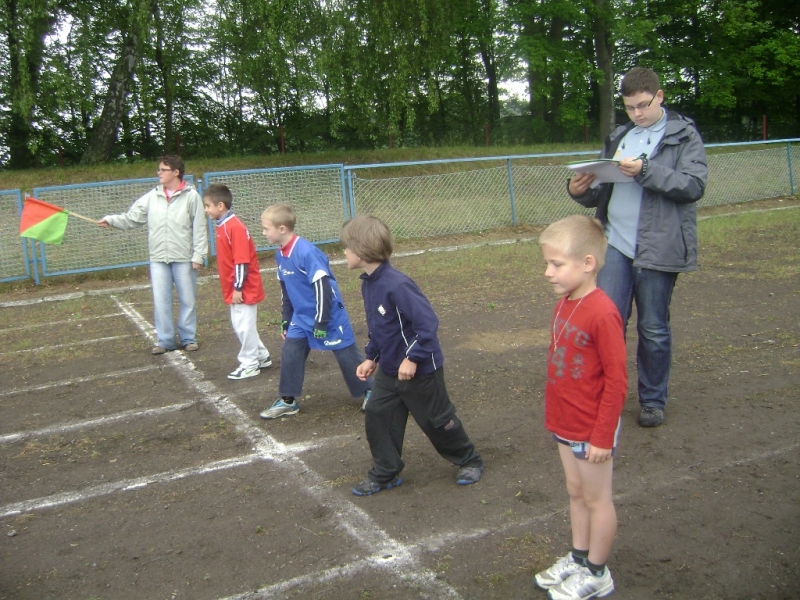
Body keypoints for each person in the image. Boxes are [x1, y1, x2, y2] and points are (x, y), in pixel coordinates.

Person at [567, 66, 708, 428]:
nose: (637, 114)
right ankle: (604, 395)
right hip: (614, 243)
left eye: (643, 105)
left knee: (653, 327)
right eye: (630, 108)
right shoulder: (621, 136)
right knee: (608, 322)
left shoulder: (683, 135)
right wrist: (580, 190)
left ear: (659, 96)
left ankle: (652, 399)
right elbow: (604, 186)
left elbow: (692, 185)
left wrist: (644, 170)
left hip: (658, 247)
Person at [340, 215, 484, 496]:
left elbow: (427, 324)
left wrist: (413, 358)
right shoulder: (369, 283)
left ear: (362, 250)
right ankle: (386, 471)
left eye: (346, 246)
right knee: (378, 416)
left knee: (437, 421)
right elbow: (381, 328)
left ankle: (469, 459)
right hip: (390, 372)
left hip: (420, 371)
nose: (342, 252)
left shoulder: (397, 285)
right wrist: (371, 357)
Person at [535, 215, 627, 600]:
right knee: (575, 492)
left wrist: (602, 436)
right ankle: (578, 557)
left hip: (592, 429)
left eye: (557, 264)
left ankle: (597, 572)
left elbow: (617, 381)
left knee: (596, 499)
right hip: (566, 422)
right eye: (547, 263)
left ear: (588, 264)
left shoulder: (603, 312)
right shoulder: (565, 303)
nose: (547, 273)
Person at [258, 203, 371, 419]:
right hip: (301, 318)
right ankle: (288, 400)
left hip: (327, 315)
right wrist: (286, 319)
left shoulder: (307, 252)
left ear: (282, 229)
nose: (263, 233)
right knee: (291, 351)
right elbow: (286, 290)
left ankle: (370, 391)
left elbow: (323, 288)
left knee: (346, 354)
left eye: (266, 228)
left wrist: (321, 321)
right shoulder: (281, 255)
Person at [98, 155, 207, 355]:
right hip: (158, 258)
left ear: (175, 172)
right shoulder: (152, 196)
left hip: (184, 257)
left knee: (187, 299)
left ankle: (188, 338)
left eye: (163, 170)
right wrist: (111, 220)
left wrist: (198, 256)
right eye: (159, 170)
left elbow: (199, 228)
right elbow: (132, 218)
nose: (159, 173)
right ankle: (165, 341)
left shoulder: (191, 197)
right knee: (161, 300)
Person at [202, 183, 272, 380]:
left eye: (208, 206)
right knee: (243, 324)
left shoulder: (235, 227)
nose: (206, 210)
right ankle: (262, 356)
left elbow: (242, 261)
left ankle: (249, 363)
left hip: (244, 288)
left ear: (220, 206)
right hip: (236, 287)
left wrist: (238, 287)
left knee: (243, 326)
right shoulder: (224, 226)